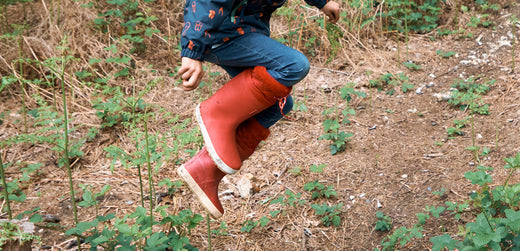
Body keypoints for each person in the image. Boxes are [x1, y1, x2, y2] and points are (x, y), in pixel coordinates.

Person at [176, 0, 340, 218]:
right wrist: (192, 50)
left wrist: (322, 3)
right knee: (293, 65)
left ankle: (205, 170)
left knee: (279, 103)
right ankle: (217, 114)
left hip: (244, 31)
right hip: (221, 33)